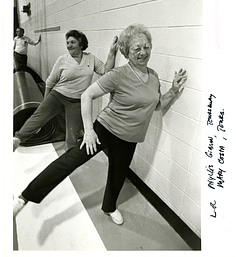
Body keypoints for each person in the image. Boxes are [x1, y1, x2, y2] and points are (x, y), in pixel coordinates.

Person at [13, 24, 187, 226]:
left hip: (130, 138)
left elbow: (156, 105)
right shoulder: (118, 74)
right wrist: (88, 131)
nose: (143, 52)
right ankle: (24, 197)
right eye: (136, 48)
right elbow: (87, 94)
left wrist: (173, 91)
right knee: (69, 161)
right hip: (104, 130)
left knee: (117, 175)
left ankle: (110, 206)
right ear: (127, 52)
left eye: (146, 47)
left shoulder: (154, 76)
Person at [13, 29, 118, 151]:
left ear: (81, 43)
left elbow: (105, 71)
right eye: (67, 43)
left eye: (72, 42)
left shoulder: (91, 59)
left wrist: (112, 53)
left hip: (77, 101)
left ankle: (68, 157)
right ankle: (17, 139)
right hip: (58, 95)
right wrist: (45, 101)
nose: (69, 45)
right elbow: (50, 81)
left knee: (72, 133)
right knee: (39, 116)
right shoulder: (62, 59)